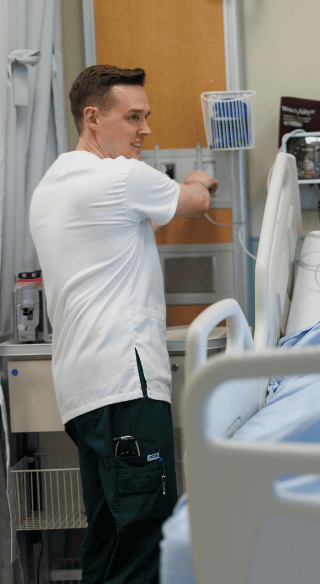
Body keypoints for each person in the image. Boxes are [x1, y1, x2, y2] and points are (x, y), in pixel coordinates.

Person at [28, 65, 218, 584]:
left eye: (145, 117)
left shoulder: (49, 185)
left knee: (109, 538)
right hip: (125, 387)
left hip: (84, 395)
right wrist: (200, 178)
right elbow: (193, 202)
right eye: (133, 117)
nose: (145, 131)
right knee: (143, 539)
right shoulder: (120, 178)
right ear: (93, 118)